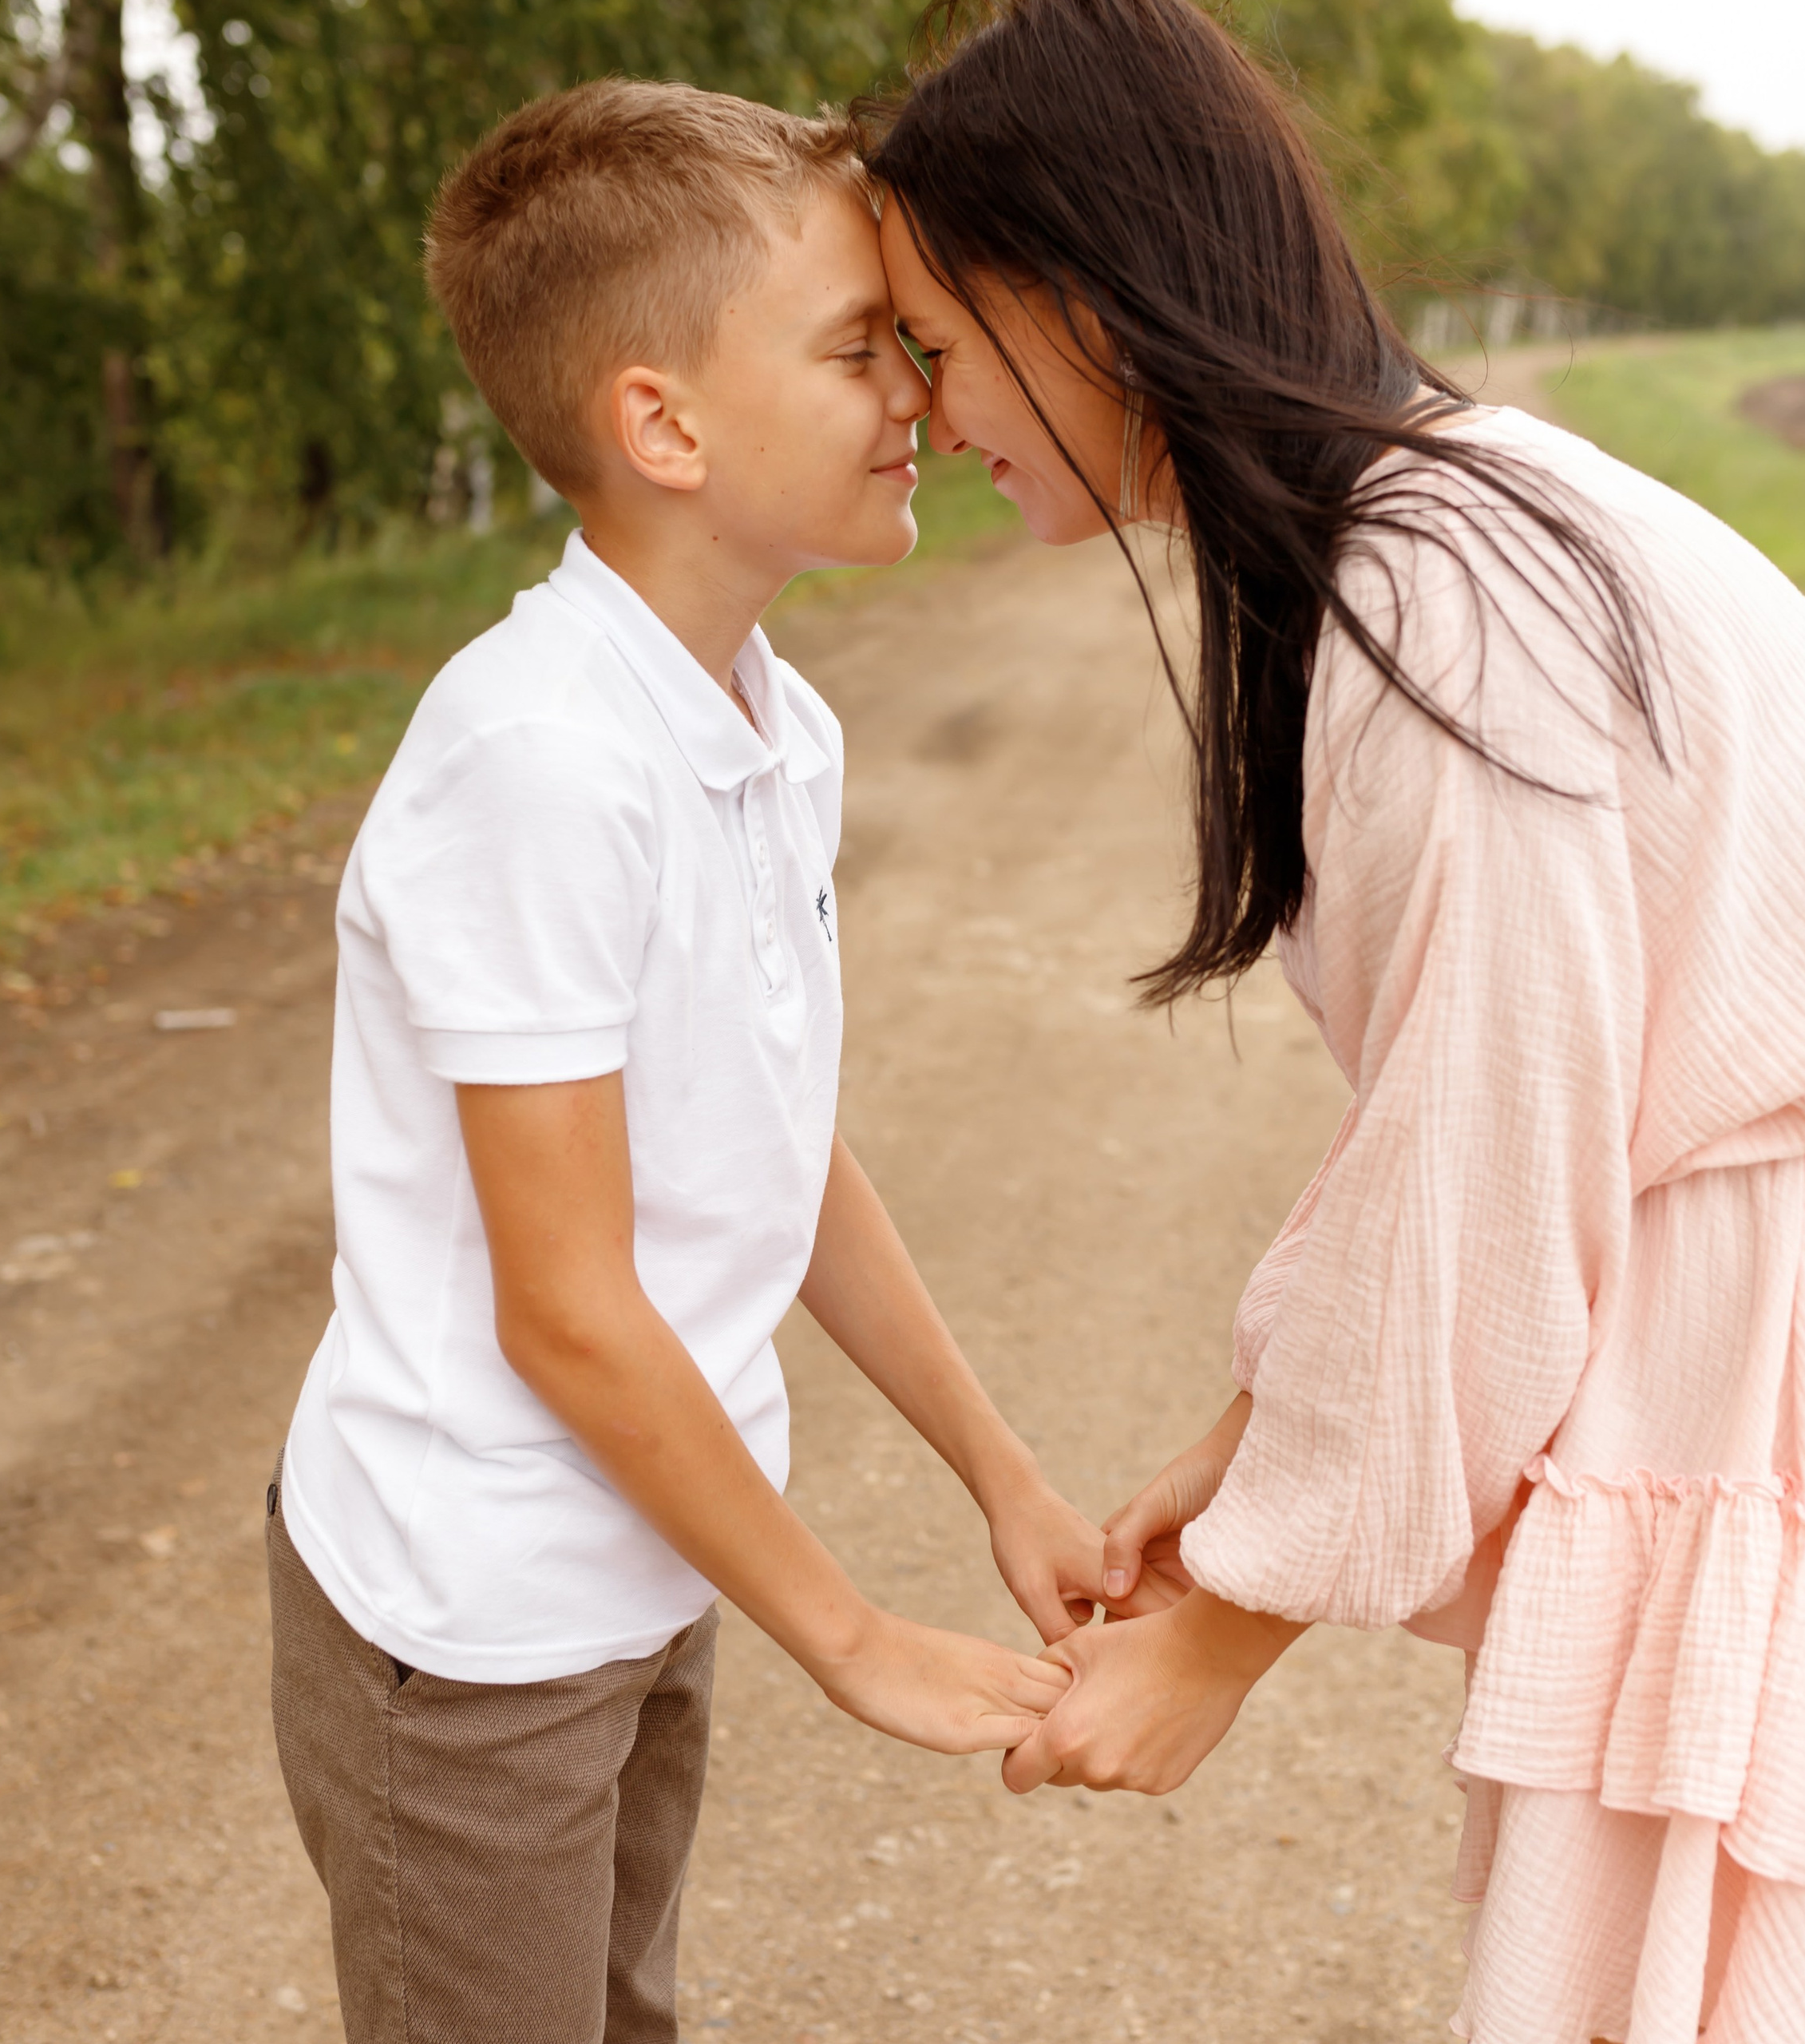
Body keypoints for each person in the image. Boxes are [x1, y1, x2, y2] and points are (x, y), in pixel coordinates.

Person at [861, 1, 1805, 2038]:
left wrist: (1221, 1629)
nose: (924, 403)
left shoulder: (1440, 601)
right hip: (1766, 1315)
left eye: (933, 341)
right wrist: (1239, 1463)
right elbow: (1471, 1104)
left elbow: (1484, 1181)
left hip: (1768, 1363)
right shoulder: (1432, 532)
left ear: (1076, 290)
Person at [265, 77, 1132, 2044]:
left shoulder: (765, 719)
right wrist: (845, 1632)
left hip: (643, 1559)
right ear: (659, 424)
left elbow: (777, 1143)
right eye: (855, 349)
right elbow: (567, 1311)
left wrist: (998, 1472)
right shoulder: (539, 759)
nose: (914, 388)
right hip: (471, 1628)